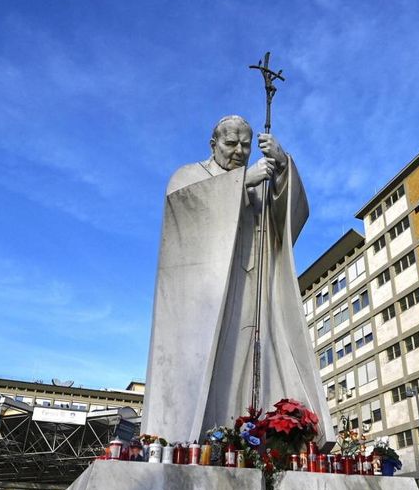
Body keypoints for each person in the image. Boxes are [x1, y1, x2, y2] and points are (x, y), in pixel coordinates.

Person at [142, 115, 335, 445]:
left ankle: (251, 437)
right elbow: (182, 212)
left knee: (252, 365)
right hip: (209, 296)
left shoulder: (260, 184)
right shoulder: (188, 176)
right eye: (230, 144)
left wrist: (283, 166)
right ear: (213, 144)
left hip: (254, 290)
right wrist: (242, 181)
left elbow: (288, 221)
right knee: (216, 365)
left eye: (245, 145)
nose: (238, 151)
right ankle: (199, 438)